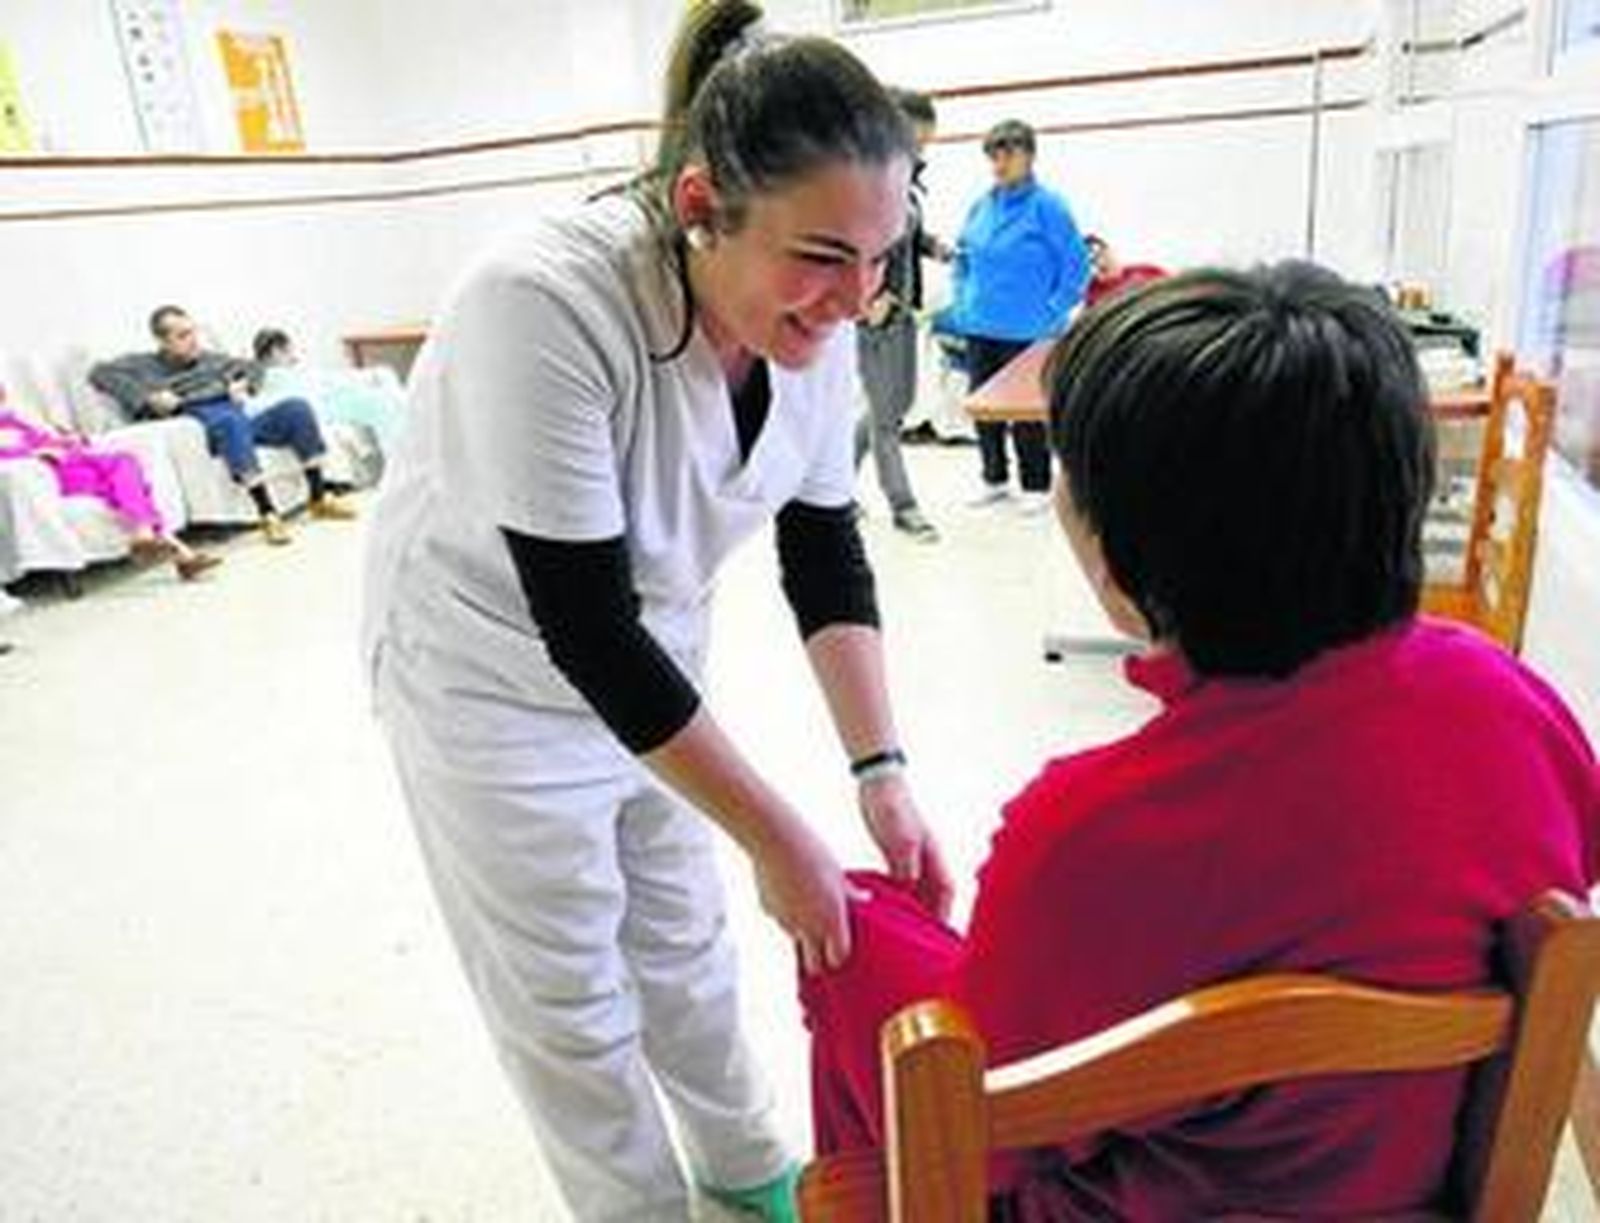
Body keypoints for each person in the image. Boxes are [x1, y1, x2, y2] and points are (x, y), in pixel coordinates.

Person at [800, 262, 1600, 1218]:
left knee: (845, 924)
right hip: (1411, 1191)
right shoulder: (1510, 700)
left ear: (1120, 557)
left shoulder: (1087, 828)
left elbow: (995, 1142)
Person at [362, 3, 952, 1220]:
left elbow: (824, 549)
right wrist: (780, 836)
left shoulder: (821, 304)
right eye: (822, 258)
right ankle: (635, 1206)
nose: (854, 297)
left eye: (879, 257)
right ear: (698, 206)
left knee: (683, 935)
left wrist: (879, 771)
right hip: (487, 675)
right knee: (567, 990)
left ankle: (743, 1163)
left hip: (651, 654)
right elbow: (584, 626)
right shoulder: (542, 303)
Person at [89, 307, 356, 545]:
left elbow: (252, 366)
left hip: (238, 420)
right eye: (183, 336)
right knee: (231, 421)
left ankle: (319, 497)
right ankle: (267, 513)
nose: (193, 340)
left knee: (296, 408)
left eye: (193, 332)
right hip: (205, 427)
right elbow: (99, 372)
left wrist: (243, 385)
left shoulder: (210, 359)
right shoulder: (142, 365)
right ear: (162, 341)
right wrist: (147, 398)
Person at [948, 118, 1088, 513]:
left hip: (1030, 330)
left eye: (1009, 154)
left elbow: (1076, 266)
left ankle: (1036, 485)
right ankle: (993, 479)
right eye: (994, 156)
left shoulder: (1049, 207)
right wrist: (962, 302)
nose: (1000, 163)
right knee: (984, 410)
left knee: (1027, 414)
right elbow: (962, 259)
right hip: (980, 325)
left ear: (1029, 156)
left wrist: (1053, 310)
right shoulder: (980, 206)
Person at [852, 88, 948, 543]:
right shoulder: (867, 179)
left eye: (926, 140)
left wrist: (934, 247)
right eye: (918, 137)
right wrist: (877, 296)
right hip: (875, 313)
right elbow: (861, 242)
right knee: (887, 417)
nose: (923, 147)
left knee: (893, 408)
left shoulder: (903, 178)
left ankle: (835, 486)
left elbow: (904, 234)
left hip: (903, 310)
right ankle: (904, 506)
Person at [0, 387, 220, 580]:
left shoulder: (16, 418)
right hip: (49, 474)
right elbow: (12, 452)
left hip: (77, 459)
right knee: (125, 484)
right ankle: (173, 549)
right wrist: (35, 453)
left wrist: (68, 439)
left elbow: (50, 438)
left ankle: (156, 540)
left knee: (125, 469)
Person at [252, 327, 406, 455]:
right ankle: (401, 453)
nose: (294, 357)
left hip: (326, 400)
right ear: (275, 352)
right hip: (327, 405)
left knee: (380, 381)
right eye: (289, 351)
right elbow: (323, 384)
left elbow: (323, 381)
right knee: (381, 395)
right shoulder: (282, 377)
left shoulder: (271, 380)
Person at [1083, 232, 1167, 307]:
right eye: (1092, 262)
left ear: (1110, 251)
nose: (1099, 263)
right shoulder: (1092, 294)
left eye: (1100, 254)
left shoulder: (1147, 271)